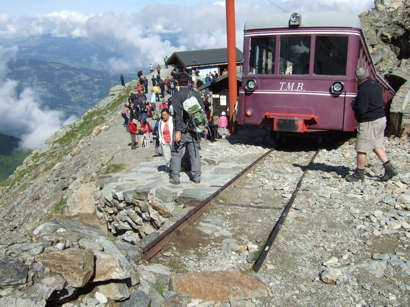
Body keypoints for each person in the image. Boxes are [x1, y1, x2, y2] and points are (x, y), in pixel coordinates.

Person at [345, 67, 398, 182]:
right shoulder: (375, 84)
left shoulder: (363, 89)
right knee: (377, 146)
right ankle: (389, 168)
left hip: (370, 122)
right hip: (381, 119)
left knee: (361, 148)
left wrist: (354, 105)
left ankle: (359, 173)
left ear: (357, 78)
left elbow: (362, 109)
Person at [169, 72, 205, 185]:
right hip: (194, 129)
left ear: (178, 83)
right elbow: (202, 109)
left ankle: (175, 178)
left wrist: (178, 131)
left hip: (181, 130)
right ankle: (197, 177)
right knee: (194, 152)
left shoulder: (176, 96)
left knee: (176, 153)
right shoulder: (196, 94)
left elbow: (178, 115)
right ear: (188, 82)